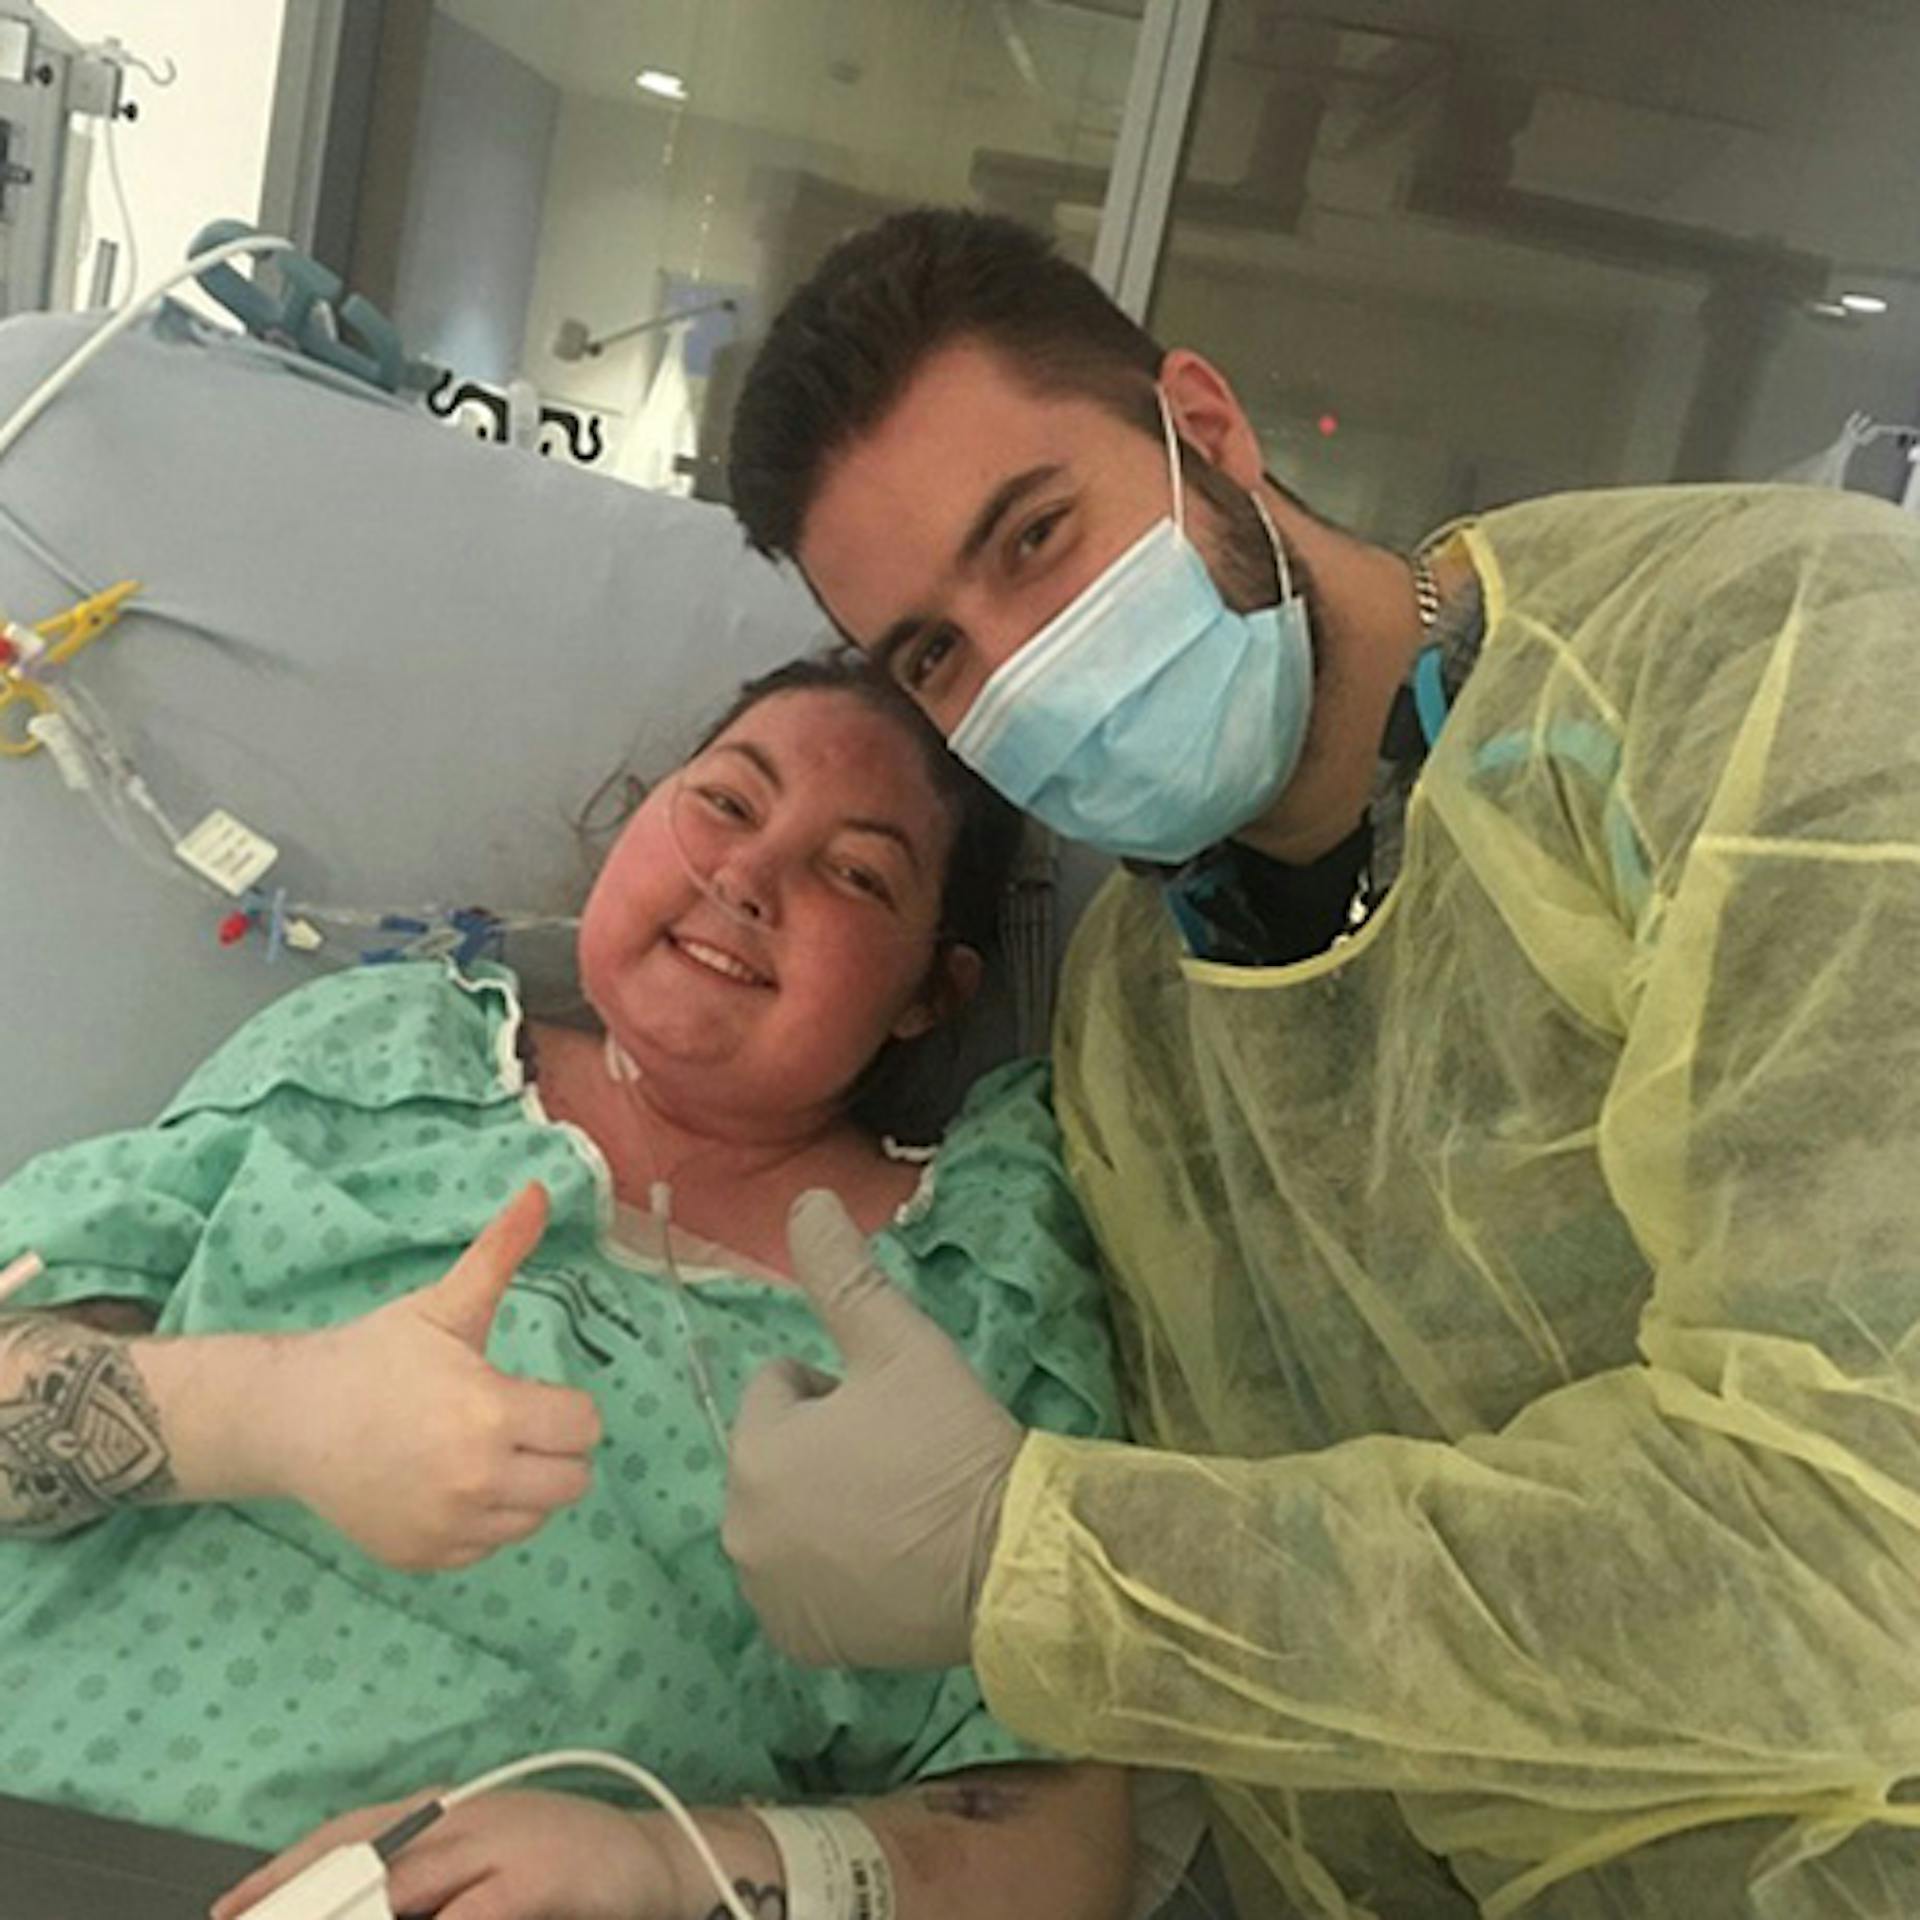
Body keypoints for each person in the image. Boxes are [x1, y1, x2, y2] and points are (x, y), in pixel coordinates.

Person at [714, 206, 1920, 1918]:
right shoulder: (1137, 1027)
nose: (1022, 673)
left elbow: (1862, 1543)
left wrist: (1043, 1565)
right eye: (935, 654)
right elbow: (1291, 1743)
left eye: (1039, 539)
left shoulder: (1777, 662)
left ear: (1202, 429)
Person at [0, 655, 1137, 1920]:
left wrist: (668, 1865)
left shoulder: (977, 1291)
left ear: (934, 990)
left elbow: (1060, 1838)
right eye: (726, 803)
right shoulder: (378, 1050)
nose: (747, 879)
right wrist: (269, 1413)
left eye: (856, 873)